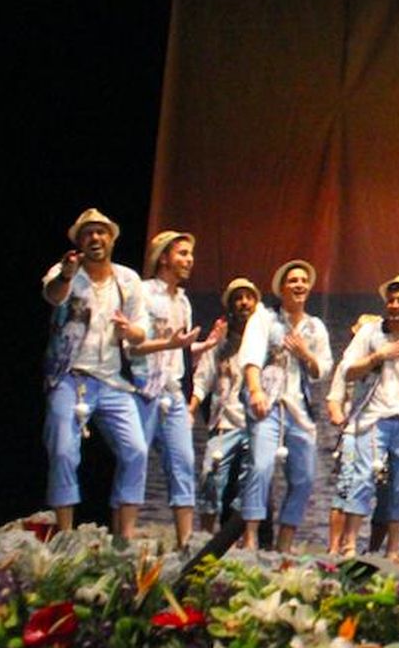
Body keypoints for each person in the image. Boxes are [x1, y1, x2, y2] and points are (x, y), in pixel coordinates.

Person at [41, 208, 149, 539]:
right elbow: (52, 295)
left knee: (136, 450)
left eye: (101, 232)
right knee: (62, 449)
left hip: (113, 381)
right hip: (70, 377)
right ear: (79, 242)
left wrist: (130, 331)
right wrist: (66, 275)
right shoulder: (66, 272)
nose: (95, 238)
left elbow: (142, 329)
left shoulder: (128, 280)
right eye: (88, 233)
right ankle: (65, 535)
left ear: (112, 239)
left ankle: (125, 535)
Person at [335, 277, 399, 561]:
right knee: (363, 478)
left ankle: (393, 550)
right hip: (372, 418)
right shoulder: (371, 333)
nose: (395, 306)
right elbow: (347, 370)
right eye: (391, 300)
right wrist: (377, 356)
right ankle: (349, 546)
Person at [130, 231, 221, 548]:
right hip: (142, 389)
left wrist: (202, 346)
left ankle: (185, 544)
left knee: (183, 463)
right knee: (134, 461)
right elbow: (133, 345)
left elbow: (178, 350)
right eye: (182, 253)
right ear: (164, 257)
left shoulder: (182, 301)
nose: (189, 260)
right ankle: (123, 538)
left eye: (190, 254)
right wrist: (173, 344)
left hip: (172, 393)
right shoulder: (141, 293)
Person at [238, 259, 333, 552]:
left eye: (304, 280)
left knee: (304, 478)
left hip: (300, 410)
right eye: (293, 280)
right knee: (261, 467)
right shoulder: (265, 319)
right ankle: (251, 537)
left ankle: (285, 543)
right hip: (268, 403)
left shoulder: (315, 327)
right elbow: (251, 357)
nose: (299, 285)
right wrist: (255, 392)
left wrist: (306, 354)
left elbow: (322, 370)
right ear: (281, 288)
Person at [190, 278, 258, 534]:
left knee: (248, 486)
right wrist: (191, 408)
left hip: (255, 425)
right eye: (238, 298)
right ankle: (205, 537)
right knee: (210, 477)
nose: (243, 303)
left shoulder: (264, 341)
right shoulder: (220, 342)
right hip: (224, 423)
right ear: (230, 305)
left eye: (248, 297)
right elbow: (203, 378)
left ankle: (238, 542)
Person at [325, 313, 380, 557]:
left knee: (374, 490)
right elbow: (334, 399)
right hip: (351, 433)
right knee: (346, 488)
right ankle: (335, 545)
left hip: (376, 433)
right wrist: (339, 416)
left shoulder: (384, 368)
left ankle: (368, 547)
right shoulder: (346, 368)